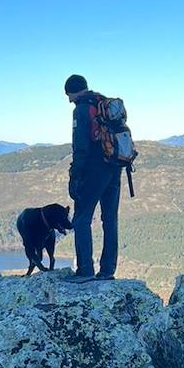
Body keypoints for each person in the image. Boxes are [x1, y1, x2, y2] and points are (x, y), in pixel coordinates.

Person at [64, 73, 120, 281]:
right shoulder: (103, 104)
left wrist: (75, 175)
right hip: (115, 166)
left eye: (68, 95)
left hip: (94, 169)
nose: (69, 100)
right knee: (110, 220)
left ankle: (85, 270)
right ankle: (107, 270)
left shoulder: (82, 109)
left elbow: (81, 147)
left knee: (81, 219)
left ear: (73, 91)